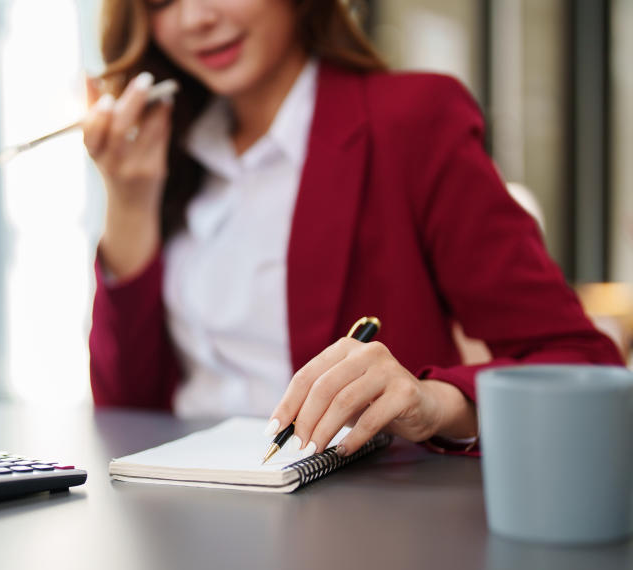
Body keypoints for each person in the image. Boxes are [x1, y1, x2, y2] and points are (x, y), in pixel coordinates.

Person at [83, 0, 623, 458]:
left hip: (352, 538)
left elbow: (581, 361)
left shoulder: (413, 121)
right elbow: (126, 416)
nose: (195, 17)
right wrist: (129, 204)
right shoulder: (165, 156)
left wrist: (433, 401)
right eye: (160, 0)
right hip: (177, 523)